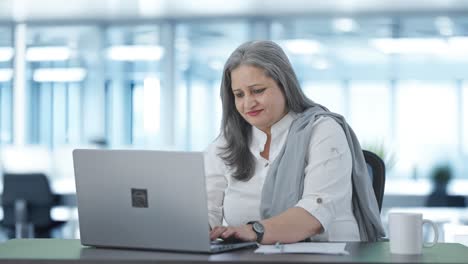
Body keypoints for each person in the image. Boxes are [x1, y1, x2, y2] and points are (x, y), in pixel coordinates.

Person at [204, 40, 384, 245]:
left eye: (258, 90)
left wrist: (254, 231)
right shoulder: (228, 143)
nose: (248, 103)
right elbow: (206, 210)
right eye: (239, 95)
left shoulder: (322, 130)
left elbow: (315, 215)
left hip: (328, 254)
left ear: (285, 85)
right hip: (254, 257)